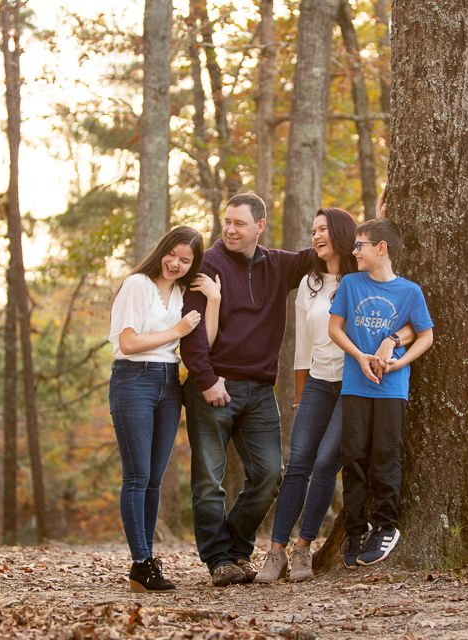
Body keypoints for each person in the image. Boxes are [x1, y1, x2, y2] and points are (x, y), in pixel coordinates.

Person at [254, 208, 414, 583]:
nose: (316, 236)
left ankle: (303, 548)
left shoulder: (363, 278)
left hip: (354, 387)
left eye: (323, 229)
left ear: (343, 234)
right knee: (298, 464)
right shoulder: (309, 284)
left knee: (326, 463)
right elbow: (302, 347)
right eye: (312, 230)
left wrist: (378, 216)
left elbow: (406, 314)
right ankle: (275, 551)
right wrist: (298, 397)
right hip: (317, 384)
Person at [180, 192, 316, 587]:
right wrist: (205, 379)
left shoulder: (278, 265)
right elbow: (192, 328)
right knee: (209, 481)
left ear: (260, 226)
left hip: (259, 390)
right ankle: (219, 560)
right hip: (214, 385)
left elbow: (322, 252)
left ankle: (236, 547)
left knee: (270, 475)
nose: (230, 229)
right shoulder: (207, 264)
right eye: (227, 221)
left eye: (240, 223)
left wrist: (372, 222)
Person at [108, 226, 221, 592]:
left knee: (155, 478)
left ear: (193, 265)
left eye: (185, 260)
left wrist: (214, 301)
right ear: (162, 251)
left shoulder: (181, 293)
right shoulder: (138, 285)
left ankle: (146, 560)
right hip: (133, 379)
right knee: (137, 476)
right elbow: (128, 341)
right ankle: (140, 562)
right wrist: (177, 331)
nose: (176, 263)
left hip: (169, 382)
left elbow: (204, 339)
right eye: (172, 255)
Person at [328, 217, 435, 567]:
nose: (354, 251)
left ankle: (387, 526)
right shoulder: (351, 284)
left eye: (360, 245)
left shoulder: (410, 292)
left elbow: (426, 336)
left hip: (391, 389)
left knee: (386, 456)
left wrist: (400, 364)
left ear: (381, 248)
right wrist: (359, 357)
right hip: (356, 385)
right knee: (354, 456)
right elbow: (335, 329)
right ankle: (356, 529)